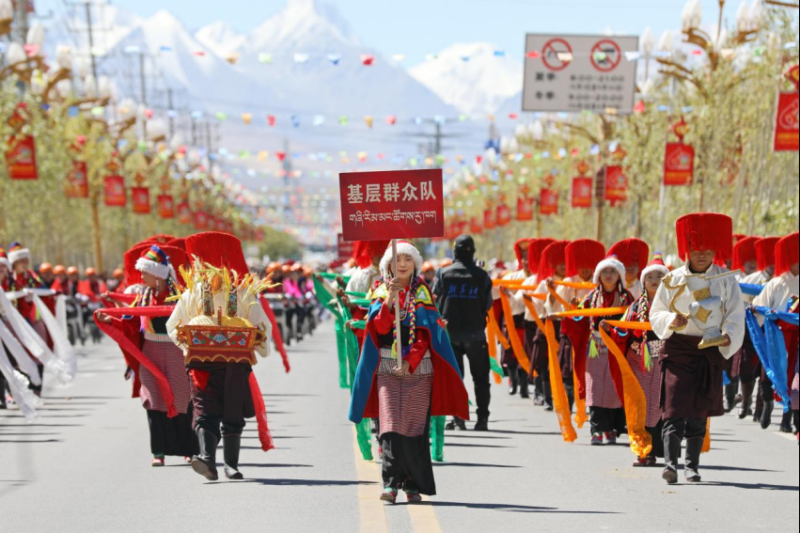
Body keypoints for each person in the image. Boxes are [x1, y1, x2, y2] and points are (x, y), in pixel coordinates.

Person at [349, 240, 469, 504]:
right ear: (388, 266)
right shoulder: (380, 290)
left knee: (414, 429)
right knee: (390, 427)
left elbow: (427, 336)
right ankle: (391, 484)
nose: (402, 264)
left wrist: (410, 361)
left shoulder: (423, 293)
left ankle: (412, 485)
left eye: (407, 259)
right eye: (396, 260)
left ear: (415, 264)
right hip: (387, 367)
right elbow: (378, 329)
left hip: (419, 370)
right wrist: (390, 300)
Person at [167, 232, 273, 482]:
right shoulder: (193, 295)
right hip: (204, 364)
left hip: (232, 364)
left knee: (230, 412)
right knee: (205, 410)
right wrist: (186, 345)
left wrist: (258, 341)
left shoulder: (243, 294)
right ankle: (208, 460)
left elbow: (260, 328)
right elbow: (173, 327)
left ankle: (228, 463)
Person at [651, 213, 745, 485]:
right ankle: (670, 464)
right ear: (687, 251)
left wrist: (729, 335)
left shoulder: (726, 280)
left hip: (709, 351)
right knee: (673, 409)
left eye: (706, 251)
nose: (701, 255)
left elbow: (736, 314)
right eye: (696, 250)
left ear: (714, 251)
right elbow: (657, 312)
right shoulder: (672, 280)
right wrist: (671, 319)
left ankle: (691, 466)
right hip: (679, 350)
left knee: (697, 413)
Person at [96, 246, 198, 467]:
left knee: (182, 401)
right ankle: (158, 452)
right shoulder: (143, 296)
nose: (141, 277)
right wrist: (109, 320)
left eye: (145, 273)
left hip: (175, 353)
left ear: (158, 275)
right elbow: (130, 322)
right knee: (153, 400)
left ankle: (190, 450)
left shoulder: (180, 295)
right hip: (150, 354)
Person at [604, 253, 670, 466]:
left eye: (660, 276)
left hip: (662, 361)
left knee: (659, 405)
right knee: (639, 404)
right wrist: (610, 329)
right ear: (643, 281)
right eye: (650, 276)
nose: (654, 280)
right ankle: (643, 450)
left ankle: (660, 448)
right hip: (637, 361)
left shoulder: (673, 307)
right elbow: (624, 331)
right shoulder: (635, 308)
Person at [564, 256, 633, 445]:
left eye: (612, 272)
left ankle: (611, 429)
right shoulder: (593, 296)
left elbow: (632, 320)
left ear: (619, 275)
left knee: (612, 388)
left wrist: (614, 326)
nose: (608, 276)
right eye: (605, 272)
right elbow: (579, 317)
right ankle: (595, 430)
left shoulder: (626, 297)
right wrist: (572, 308)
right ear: (598, 275)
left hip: (616, 347)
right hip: (595, 347)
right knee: (594, 388)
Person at [432, 235, 493, 431]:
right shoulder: (483, 276)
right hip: (476, 334)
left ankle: (458, 418)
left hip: (450, 335)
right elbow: (489, 304)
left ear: (454, 252)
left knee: (455, 379)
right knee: (481, 379)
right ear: (473, 252)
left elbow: (433, 300)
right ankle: (482, 419)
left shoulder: (442, 274)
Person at [752, 232, 799, 435]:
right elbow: (759, 306)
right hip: (777, 334)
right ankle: (768, 402)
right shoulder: (776, 283)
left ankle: (787, 419)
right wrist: (757, 311)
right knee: (767, 374)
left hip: (797, 336)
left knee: (793, 377)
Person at [556, 239, 606, 412]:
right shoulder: (569, 282)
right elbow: (557, 306)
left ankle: (591, 402)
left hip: (592, 332)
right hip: (572, 331)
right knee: (568, 368)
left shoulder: (600, 283)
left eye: (588, 265)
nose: (585, 269)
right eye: (581, 265)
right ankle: (570, 396)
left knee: (593, 369)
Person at [742, 236, 781, 427]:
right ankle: (747, 401)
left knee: (772, 371)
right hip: (754, 330)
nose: (774, 265)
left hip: (779, 331)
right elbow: (741, 302)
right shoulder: (752, 280)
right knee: (747, 369)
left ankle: (767, 406)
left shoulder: (785, 281)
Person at [529, 241, 570, 410]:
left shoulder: (571, 282)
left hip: (565, 326)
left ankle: (566, 397)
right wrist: (551, 296)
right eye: (559, 264)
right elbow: (538, 306)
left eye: (565, 263)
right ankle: (547, 397)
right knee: (544, 362)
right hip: (547, 325)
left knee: (564, 363)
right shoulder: (545, 282)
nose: (563, 267)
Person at [515, 239, 556, 402]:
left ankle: (552, 393)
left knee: (552, 360)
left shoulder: (554, 279)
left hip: (552, 323)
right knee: (536, 358)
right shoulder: (530, 281)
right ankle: (538, 391)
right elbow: (517, 301)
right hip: (532, 323)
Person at [730, 236, 761, 419]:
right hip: (744, 327)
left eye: (756, 259)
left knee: (766, 369)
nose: (752, 263)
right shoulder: (741, 278)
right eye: (749, 259)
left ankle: (762, 404)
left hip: (769, 328)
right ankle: (745, 400)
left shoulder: (773, 279)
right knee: (744, 366)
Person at [497, 238, 532, 398]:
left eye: (530, 257)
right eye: (524, 257)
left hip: (530, 321)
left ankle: (524, 386)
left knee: (527, 353)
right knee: (510, 354)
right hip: (512, 321)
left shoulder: (539, 278)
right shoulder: (511, 277)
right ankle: (513, 381)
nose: (527, 261)